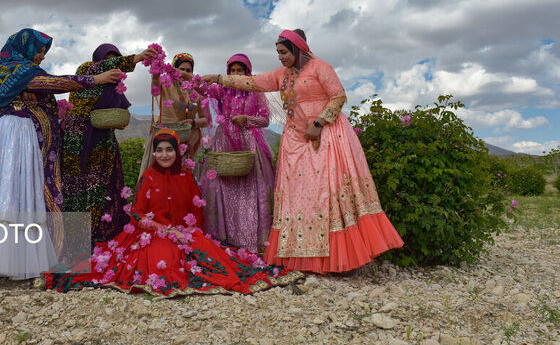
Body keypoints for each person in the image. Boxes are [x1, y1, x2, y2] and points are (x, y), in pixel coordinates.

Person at [203, 29, 403, 274]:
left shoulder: (320, 68)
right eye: (278, 53)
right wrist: (218, 78)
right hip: (295, 141)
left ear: (298, 50)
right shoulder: (282, 75)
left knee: (328, 194)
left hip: (326, 135)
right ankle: (305, 258)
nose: (280, 57)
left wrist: (318, 123)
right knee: (299, 199)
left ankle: (343, 259)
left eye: (284, 52)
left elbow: (338, 96)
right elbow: (253, 82)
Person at [0, 29, 122, 280]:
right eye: (38, 51)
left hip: (12, 135)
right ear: (25, 49)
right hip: (17, 135)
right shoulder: (18, 71)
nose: (41, 57)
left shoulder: (13, 70)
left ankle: (4, 259)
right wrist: (96, 79)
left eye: (43, 52)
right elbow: (54, 84)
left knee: (12, 192)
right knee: (11, 190)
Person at [43, 129, 301, 296]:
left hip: (185, 233)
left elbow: (195, 213)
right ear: (153, 152)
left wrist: (187, 233)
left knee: (218, 261)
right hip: (152, 235)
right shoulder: (148, 177)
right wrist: (164, 229)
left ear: (177, 151)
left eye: (169, 149)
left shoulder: (187, 177)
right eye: (159, 150)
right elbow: (138, 214)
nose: (164, 154)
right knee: (163, 267)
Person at [63, 44, 158, 244]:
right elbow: (105, 67)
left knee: (104, 187)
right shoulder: (86, 69)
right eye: (107, 59)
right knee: (78, 188)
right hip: (78, 140)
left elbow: (116, 115)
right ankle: (75, 240)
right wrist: (139, 57)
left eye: (115, 59)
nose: (112, 65)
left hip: (103, 139)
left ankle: (102, 236)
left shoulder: (113, 88)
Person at [198, 53, 275, 254]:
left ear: (247, 72)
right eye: (233, 71)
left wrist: (247, 119)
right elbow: (200, 89)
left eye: (240, 71)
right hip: (224, 142)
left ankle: (253, 241)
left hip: (249, 142)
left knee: (250, 189)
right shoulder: (221, 89)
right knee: (225, 187)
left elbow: (265, 120)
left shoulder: (255, 91)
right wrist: (200, 79)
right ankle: (225, 238)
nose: (236, 74)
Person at [137, 52, 209, 179]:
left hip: (190, 143)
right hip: (165, 141)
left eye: (188, 70)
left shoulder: (197, 91)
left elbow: (206, 120)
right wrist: (155, 71)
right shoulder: (165, 84)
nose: (184, 73)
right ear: (174, 69)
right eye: (181, 69)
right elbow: (155, 84)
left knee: (187, 184)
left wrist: (193, 122)